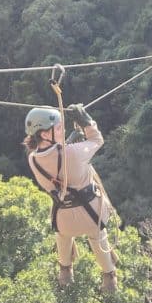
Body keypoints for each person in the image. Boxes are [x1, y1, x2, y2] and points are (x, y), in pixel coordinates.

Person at [24, 103, 118, 292]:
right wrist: (86, 122)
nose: (62, 129)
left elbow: (56, 160)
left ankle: (65, 269)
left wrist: (69, 141)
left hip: (63, 219)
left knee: (63, 236)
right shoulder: (74, 153)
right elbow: (97, 140)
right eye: (58, 128)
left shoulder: (33, 159)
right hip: (92, 215)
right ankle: (109, 275)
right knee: (97, 236)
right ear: (44, 134)